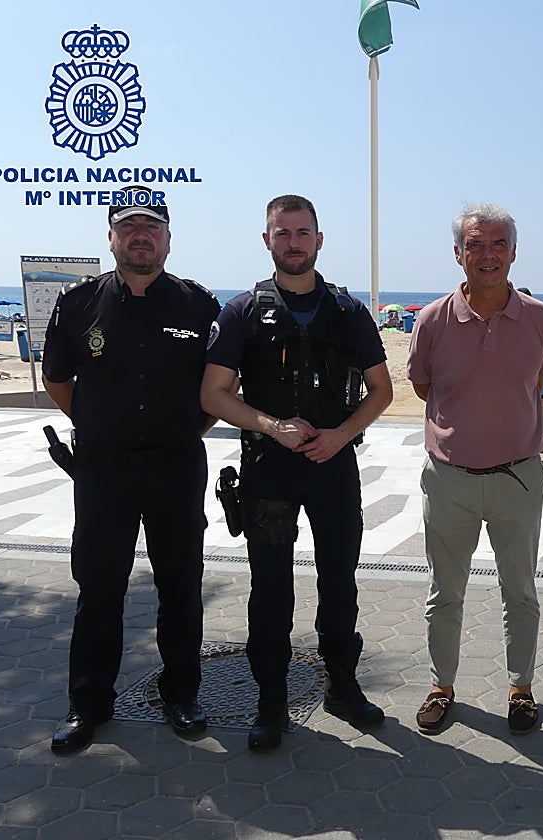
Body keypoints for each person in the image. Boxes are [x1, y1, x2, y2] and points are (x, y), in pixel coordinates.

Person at [200, 195, 393, 751]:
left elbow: (381, 389)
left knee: (340, 580)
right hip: (269, 467)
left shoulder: (348, 312)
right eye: (282, 233)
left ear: (319, 240)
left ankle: (342, 685)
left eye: (302, 232)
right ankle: (271, 700)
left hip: (334, 464)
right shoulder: (240, 312)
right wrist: (272, 425)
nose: (293, 242)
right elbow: (213, 393)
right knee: (271, 589)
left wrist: (342, 435)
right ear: (267, 241)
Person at [42, 186, 220, 754]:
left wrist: (184, 430)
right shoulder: (77, 304)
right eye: (129, 227)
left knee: (180, 587)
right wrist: (101, 426)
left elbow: (218, 389)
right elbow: (58, 381)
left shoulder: (199, 306)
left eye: (151, 227)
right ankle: (88, 704)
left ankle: (181, 694)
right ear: (112, 237)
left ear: (168, 238)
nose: (140, 236)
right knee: (98, 589)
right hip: (102, 471)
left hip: (175, 466)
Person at [406, 203, 543, 735]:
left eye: (497, 244)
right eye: (475, 244)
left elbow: (542, 373)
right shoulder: (431, 321)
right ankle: (441, 685)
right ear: (458, 253)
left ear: (514, 253)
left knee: (520, 591)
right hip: (449, 480)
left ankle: (521, 689)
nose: (487, 254)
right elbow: (424, 386)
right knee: (444, 593)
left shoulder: (539, 319)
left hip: (518, 477)